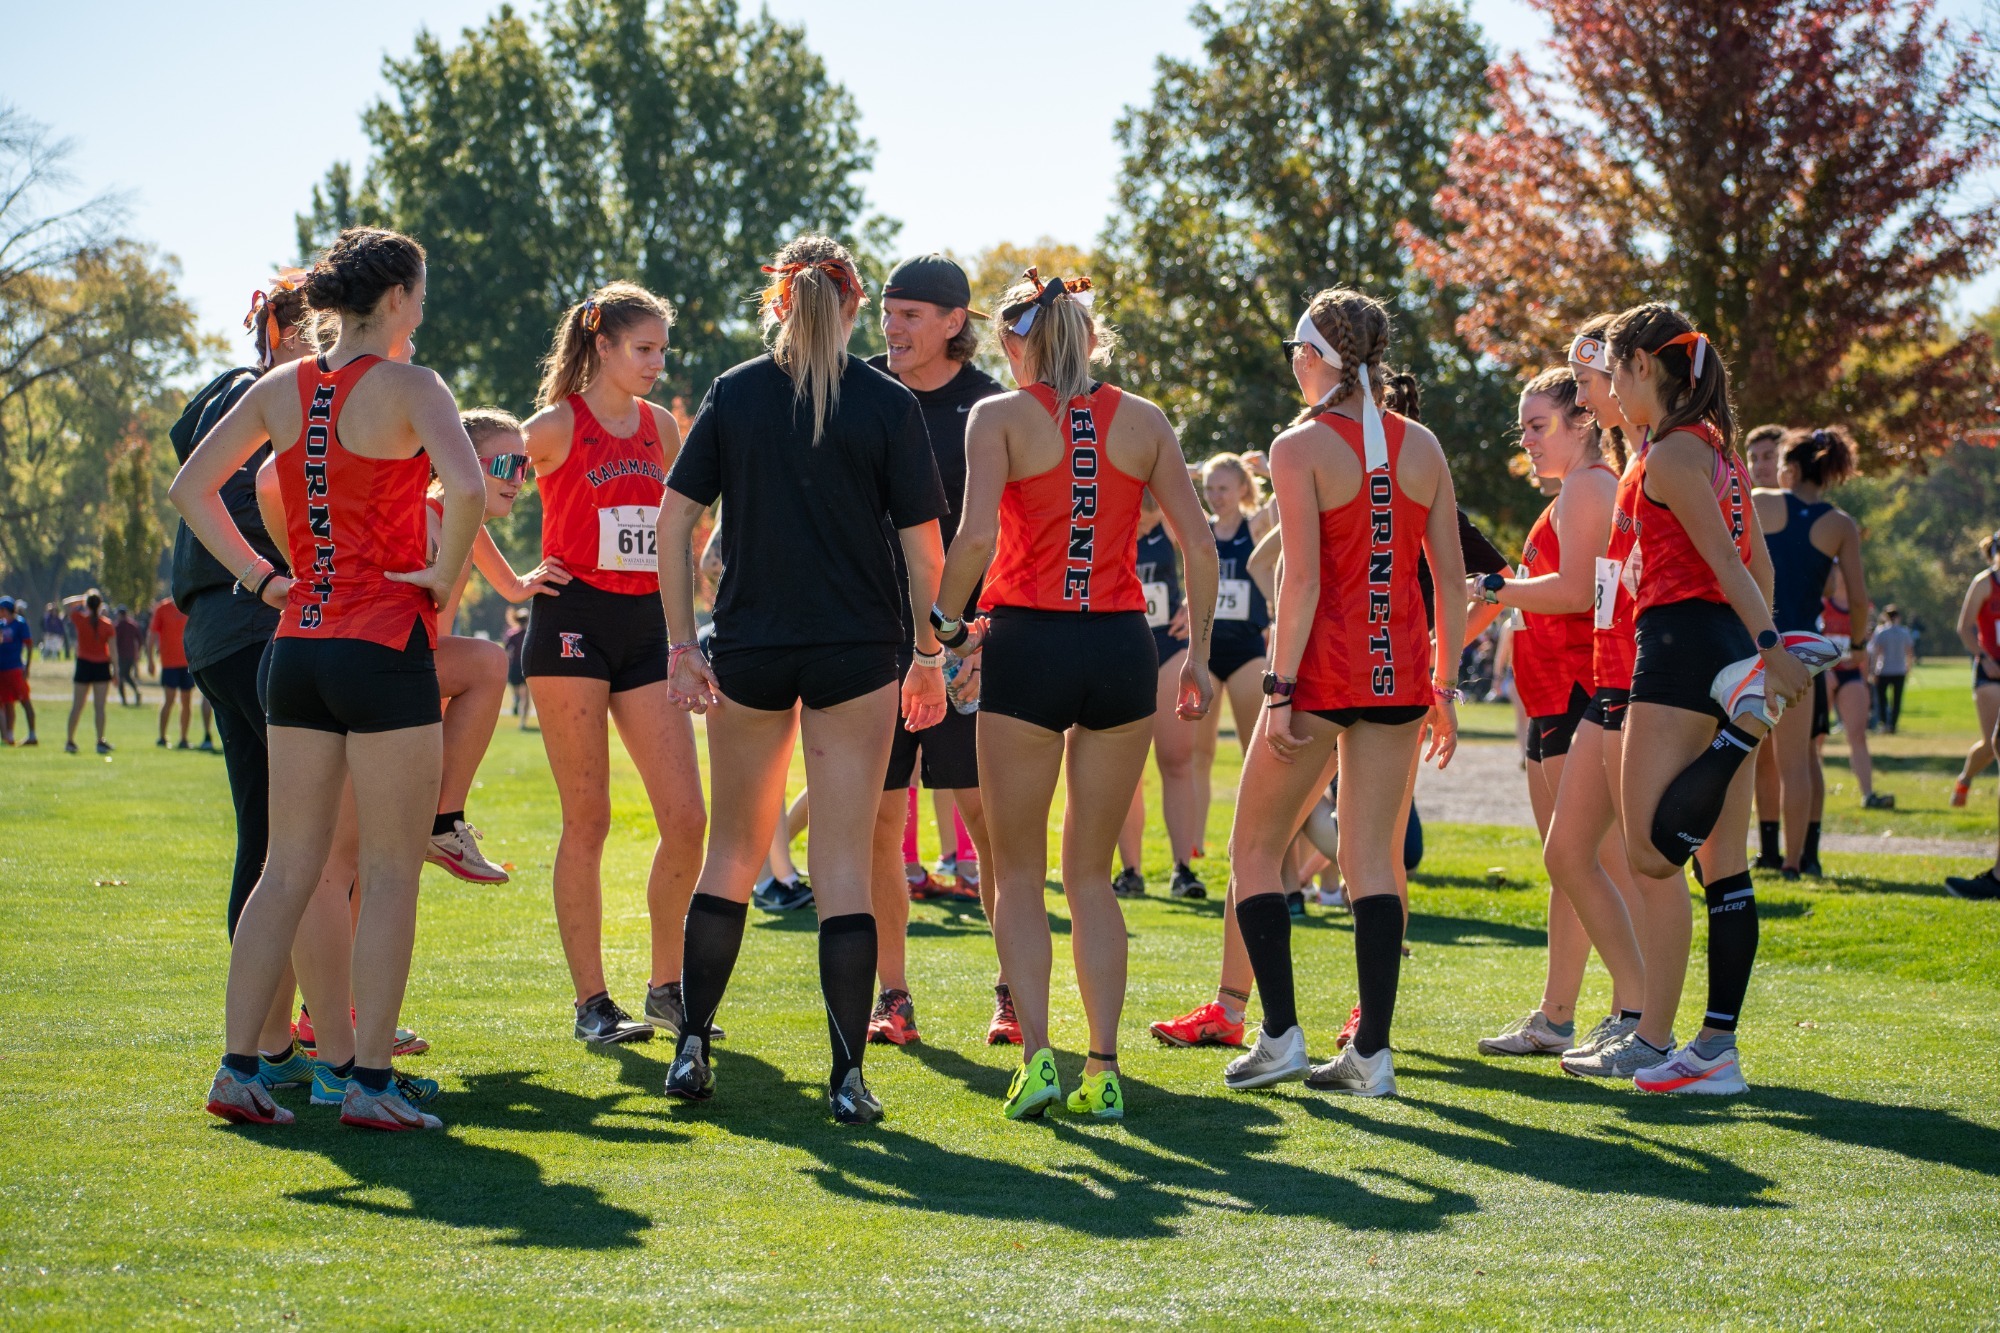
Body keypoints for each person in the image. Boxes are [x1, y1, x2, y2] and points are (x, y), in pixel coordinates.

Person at [173, 225, 485, 1131]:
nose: (421, 313)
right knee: (389, 873)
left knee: (288, 867)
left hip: (294, 647)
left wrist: (266, 577)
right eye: (419, 297)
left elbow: (193, 489)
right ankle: (370, 1083)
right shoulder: (414, 386)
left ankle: (239, 1069)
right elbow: (464, 488)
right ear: (393, 299)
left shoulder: (279, 386)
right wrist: (442, 577)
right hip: (383, 645)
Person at [657, 234, 950, 1124]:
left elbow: (674, 527)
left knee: (733, 855)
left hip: (751, 644)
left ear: (777, 303)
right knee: (846, 870)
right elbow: (923, 553)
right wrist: (928, 655)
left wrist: (681, 644)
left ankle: (693, 1045)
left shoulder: (736, 392)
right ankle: (846, 1077)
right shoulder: (887, 403)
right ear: (855, 305)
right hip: (856, 652)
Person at [935, 267, 1217, 1122]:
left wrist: (945, 627)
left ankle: (1038, 1061)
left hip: (1029, 643)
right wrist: (1198, 654)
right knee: (1090, 875)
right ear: (1090, 339)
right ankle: (1102, 1066)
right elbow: (1198, 545)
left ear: (1020, 342)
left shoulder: (1000, 416)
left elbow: (977, 533)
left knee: (1015, 871)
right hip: (1121, 650)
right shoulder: (1145, 420)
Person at [1220, 288, 1465, 1097]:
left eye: (1298, 352)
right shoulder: (1421, 442)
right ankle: (1372, 1054)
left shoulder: (1300, 446)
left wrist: (1279, 686)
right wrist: (1448, 685)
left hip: (1323, 672)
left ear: (1316, 356)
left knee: (1252, 848)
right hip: (1401, 676)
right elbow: (1452, 583)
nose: (1292, 365)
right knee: (1370, 863)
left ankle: (1283, 1035)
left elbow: (1301, 583)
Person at [1594, 304, 1834, 1096]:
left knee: (1648, 853)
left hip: (1680, 651)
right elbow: (1754, 566)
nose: (1610, 387)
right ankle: (1714, 1051)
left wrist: (1765, 654)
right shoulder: (1716, 453)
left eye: (1612, 367)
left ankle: (1738, 733)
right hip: (1724, 651)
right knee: (1723, 866)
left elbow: (1735, 568)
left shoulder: (1670, 456)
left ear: (1640, 365)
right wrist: (1754, 650)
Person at [520, 282, 706, 1044]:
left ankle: (667, 985)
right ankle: (592, 1002)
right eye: (644, 348)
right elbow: (462, 476)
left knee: (688, 818)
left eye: (663, 349)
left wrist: (704, 573)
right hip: (572, 625)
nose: (658, 362)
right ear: (602, 346)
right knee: (588, 818)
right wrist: (511, 579)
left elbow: (686, 521)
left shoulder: (662, 426)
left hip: (645, 625)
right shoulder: (557, 425)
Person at [1472, 367, 1645, 1058]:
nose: (1528, 440)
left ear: (1583, 421)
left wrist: (1494, 585)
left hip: (1584, 688)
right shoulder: (1573, 492)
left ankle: (1635, 1013)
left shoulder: (1589, 486)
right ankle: (1557, 1016)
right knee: (1566, 864)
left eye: (1539, 425)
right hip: (1553, 694)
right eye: (1523, 427)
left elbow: (1574, 590)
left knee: (1589, 859)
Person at [863, 253, 1008, 1047]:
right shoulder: (860, 391)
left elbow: (1007, 533)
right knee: (884, 822)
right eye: (887, 312)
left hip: (969, 645)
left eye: (911, 314)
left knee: (990, 823)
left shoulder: (990, 405)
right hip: (874, 640)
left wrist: (983, 632)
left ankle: (1013, 989)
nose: (893, 327)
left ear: (955, 323)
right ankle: (895, 997)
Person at [1751, 425, 1873, 877]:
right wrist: (1858, 645)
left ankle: (1762, 850)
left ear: (1794, 468)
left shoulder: (1761, 502)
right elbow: (1856, 597)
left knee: (1751, 755)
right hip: (1802, 646)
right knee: (1796, 760)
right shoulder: (1840, 523)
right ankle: (1793, 861)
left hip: (1755, 641)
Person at [1186, 454, 1277, 898]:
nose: (1214, 496)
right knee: (1196, 758)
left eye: (1223, 488)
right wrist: (1190, 472)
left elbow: (1296, 501)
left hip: (1246, 652)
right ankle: (1193, 851)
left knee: (1253, 753)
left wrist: (1267, 472)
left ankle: (1256, 847)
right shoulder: (1199, 529)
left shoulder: (1255, 527)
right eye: (1209, 488)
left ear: (1242, 489)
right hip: (1204, 650)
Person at [1118, 489, 1203, 901]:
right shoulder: (1106, 518)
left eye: (1152, 525)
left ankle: (1183, 869)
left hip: (1168, 646)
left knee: (1177, 760)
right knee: (1122, 768)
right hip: (1120, 646)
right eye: (1142, 524)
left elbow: (1204, 551)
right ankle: (1130, 870)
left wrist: (1192, 600)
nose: (1147, 530)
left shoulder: (1166, 516)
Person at [1951, 539, 2000, 808]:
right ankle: (1965, 779)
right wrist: (1984, 657)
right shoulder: (1985, 583)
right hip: (1990, 671)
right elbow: (1964, 627)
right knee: (1992, 744)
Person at [147, 595, 211, 749]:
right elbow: (152, 635)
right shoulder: (162, 608)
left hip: (188, 663)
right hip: (169, 663)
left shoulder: (190, 607)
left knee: (186, 701)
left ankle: (184, 738)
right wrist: (150, 660)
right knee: (169, 700)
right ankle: (162, 737)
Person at [63, 590, 114, 753]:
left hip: (83, 665)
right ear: (100, 606)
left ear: (87, 605)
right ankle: (100, 741)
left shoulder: (80, 619)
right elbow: (113, 652)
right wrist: (117, 671)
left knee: (77, 706)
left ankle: (70, 741)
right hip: (101, 666)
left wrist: (81, 599)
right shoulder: (107, 624)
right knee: (99, 707)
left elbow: (65, 605)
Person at [1870, 605, 1914, 732]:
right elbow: (1909, 652)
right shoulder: (1904, 632)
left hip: (1883, 670)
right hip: (1899, 670)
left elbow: (1876, 653)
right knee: (1897, 700)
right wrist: (1908, 667)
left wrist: (1872, 671)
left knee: (1882, 700)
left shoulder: (1881, 632)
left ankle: (1884, 723)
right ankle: (1893, 725)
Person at [0, 597, 36, 745]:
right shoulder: (1, 625)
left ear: (6, 610)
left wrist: (27, 667)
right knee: (7, 703)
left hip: (15, 668)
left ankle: (32, 735)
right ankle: (9, 735)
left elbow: (29, 645)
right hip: (2, 669)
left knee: (24, 700)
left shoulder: (20, 624)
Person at [503, 607, 532, 729]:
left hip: (514, 666)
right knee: (526, 696)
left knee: (518, 693)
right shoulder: (531, 634)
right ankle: (523, 722)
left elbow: (507, 651)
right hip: (526, 666)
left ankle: (516, 701)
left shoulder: (512, 634)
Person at [113, 607, 144, 707]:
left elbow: (114, 641)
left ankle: (124, 699)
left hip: (121, 655)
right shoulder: (132, 625)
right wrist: (138, 651)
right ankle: (136, 691)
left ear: (120, 615)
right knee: (126, 675)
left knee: (121, 676)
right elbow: (140, 639)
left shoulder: (118, 626)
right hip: (130, 655)